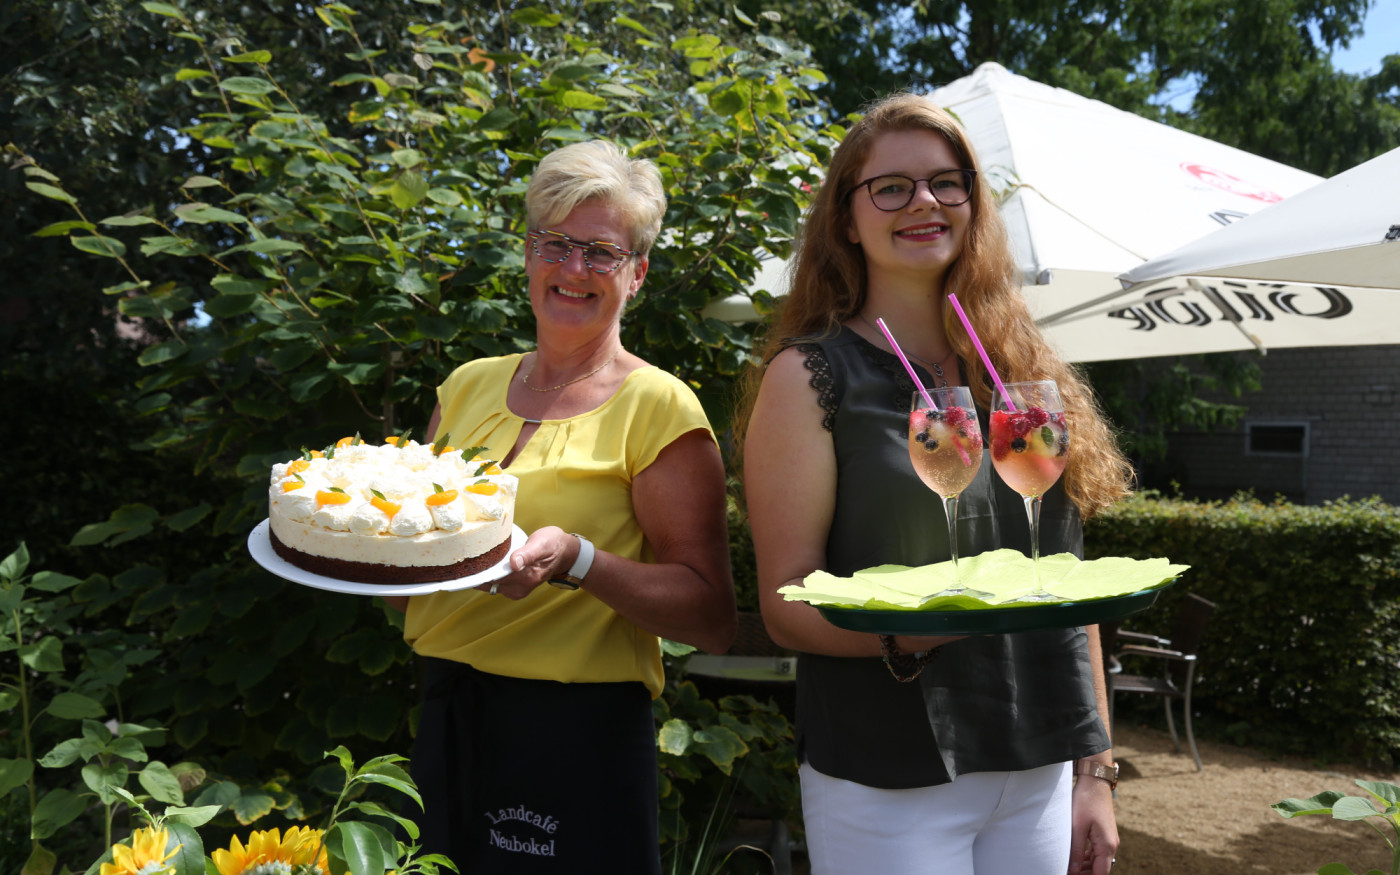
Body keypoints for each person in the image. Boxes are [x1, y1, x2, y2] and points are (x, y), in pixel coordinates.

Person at [737, 93, 1134, 874]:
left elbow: (1067, 579)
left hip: (1039, 763)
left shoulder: (1022, 372)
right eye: (891, 186)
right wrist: (913, 632)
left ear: (972, 204)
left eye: (946, 182)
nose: (923, 201)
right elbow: (785, 603)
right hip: (889, 773)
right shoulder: (811, 376)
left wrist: (1096, 768)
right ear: (847, 219)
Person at [383, 140, 737, 874]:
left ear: (637, 274)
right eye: (556, 244)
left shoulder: (659, 405)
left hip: (576, 733)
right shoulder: (466, 387)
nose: (574, 269)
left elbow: (711, 616)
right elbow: (414, 559)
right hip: (447, 709)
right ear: (527, 253)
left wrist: (577, 560)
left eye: (602, 253)